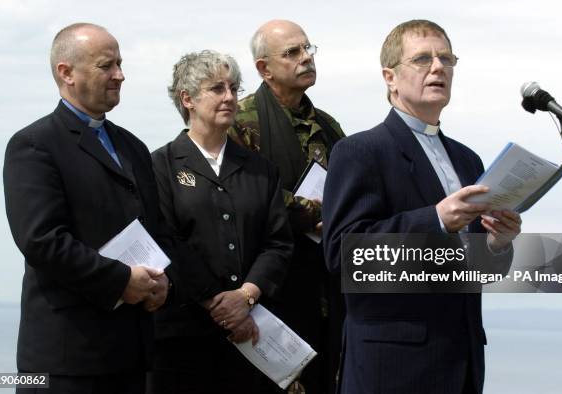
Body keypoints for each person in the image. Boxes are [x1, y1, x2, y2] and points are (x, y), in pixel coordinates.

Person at [322, 20, 523, 394]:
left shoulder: (468, 160)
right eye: (422, 59)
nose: (438, 67)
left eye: (447, 58)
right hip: (393, 367)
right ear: (390, 77)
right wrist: (434, 219)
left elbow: (473, 271)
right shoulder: (360, 152)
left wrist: (499, 244)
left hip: (461, 363)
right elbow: (343, 256)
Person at [3, 23, 171, 394]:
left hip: (131, 356)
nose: (120, 75)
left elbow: (153, 231)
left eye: (120, 64)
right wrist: (121, 281)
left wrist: (161, 282)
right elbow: (42, 241)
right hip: (66, 360)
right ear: (66, 73)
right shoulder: (34, 145)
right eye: (106, 65)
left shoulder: (134, 148)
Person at [148, 50, 293, 394]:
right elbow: (166, 242)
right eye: (217, 88)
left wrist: (245, 296)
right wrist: (219, 303)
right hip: (182, 337)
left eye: (234, 88)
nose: (230, 97)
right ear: (188, 99)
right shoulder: (160, 165)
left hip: (252, 334)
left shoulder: (261, 169)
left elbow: (278, 242)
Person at [228, 19, 345, 393]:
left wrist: (340, 214)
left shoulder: (328, 125)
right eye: (292, 52)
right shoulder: (240, 121)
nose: (306, 58)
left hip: (327, 286)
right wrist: (312, 213)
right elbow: (241, 192)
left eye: (308, 49)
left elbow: (351, 189)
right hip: (270, 291)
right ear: (264, 68)